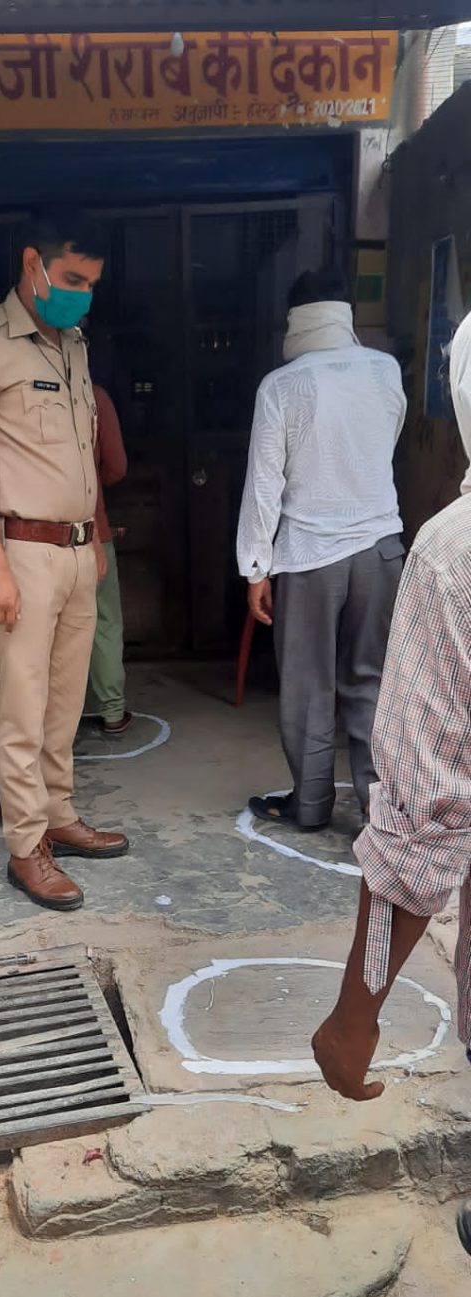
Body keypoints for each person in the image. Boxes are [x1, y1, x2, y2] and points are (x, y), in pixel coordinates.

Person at [0, 216, 129, 912]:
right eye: (73, 278)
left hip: (79, 552)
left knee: (66, 701)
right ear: (33, 264)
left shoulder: (73, 345)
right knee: (23, 705)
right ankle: (26, 847)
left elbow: (82, 455)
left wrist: (96, 539)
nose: (83, 294)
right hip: (20, 552)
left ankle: (58, 815)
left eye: (92, 284)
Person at [311, 309, 471, 1103]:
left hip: (316, 546)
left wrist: (353, 1018)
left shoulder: (453, 557)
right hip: (367, 542)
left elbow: (424, 811)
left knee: (327, 685)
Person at [236, 269, 407, 833]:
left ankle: (309, 806)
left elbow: (265, 483)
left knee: (309, 686)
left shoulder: (281, 385)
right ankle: (378, 807)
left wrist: (256, 569)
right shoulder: (385, 371)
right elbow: (386, 443)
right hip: (381, 549)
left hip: (311, 555)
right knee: (371, 680)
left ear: (294, 319)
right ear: (345, 313)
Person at [89, 383, 131, 734]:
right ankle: (112, 711)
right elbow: (116, 466)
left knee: (46, 630)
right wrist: (91, 483)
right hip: (92, 530)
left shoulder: (13, 387)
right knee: (104, 622)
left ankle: (51, 719)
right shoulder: (94, 395)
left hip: (30, 540)